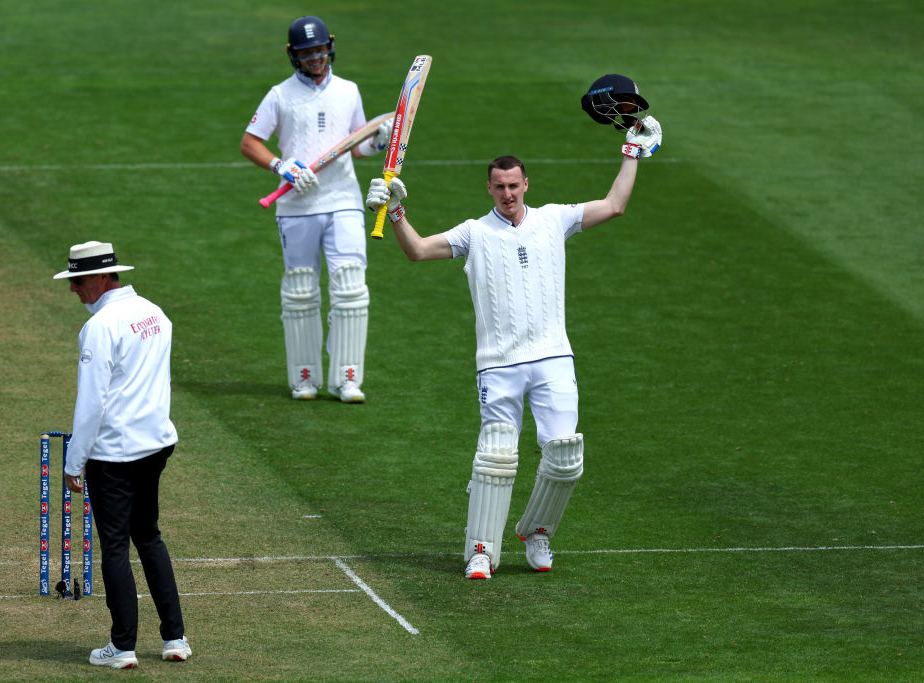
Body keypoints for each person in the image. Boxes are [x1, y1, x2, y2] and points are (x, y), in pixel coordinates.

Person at [366, 116, 663, 579]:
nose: (508, 194)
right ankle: (481, 550)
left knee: (565, 455)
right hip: (499, 365)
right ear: (489, 189)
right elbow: (418, 251)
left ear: (526, 184)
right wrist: (396, 213)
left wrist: (632, 153)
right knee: (496, 457)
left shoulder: (554, 219)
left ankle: (537, 531)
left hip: (553, 359)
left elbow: (615, 205)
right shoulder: (474, 233)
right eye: (499, 186)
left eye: (514, 185)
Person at [240, 15, 393, 403]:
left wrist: (378, 142)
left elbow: (355, 144)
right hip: (295, 206)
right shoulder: (279, 95)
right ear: (293, 55)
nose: (316, 59)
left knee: (350, 287)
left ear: (331, 46)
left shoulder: (349, 90)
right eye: (307, 53)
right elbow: (250, 142)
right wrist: (281, 165)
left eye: (320, 50)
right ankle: (304, 378)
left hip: (343, 201)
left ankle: (347, 379)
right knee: (301, 291)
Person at [53, 240, 191, 667]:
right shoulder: (154, 313)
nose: (73, 289)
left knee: (115, 544)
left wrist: (73, 463)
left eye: (77, 280)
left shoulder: (101, 326)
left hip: (114, 454)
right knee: (148, 535)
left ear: (99, 277)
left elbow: (91, 402)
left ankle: (123, 646)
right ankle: (175, 639)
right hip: (155, 444)